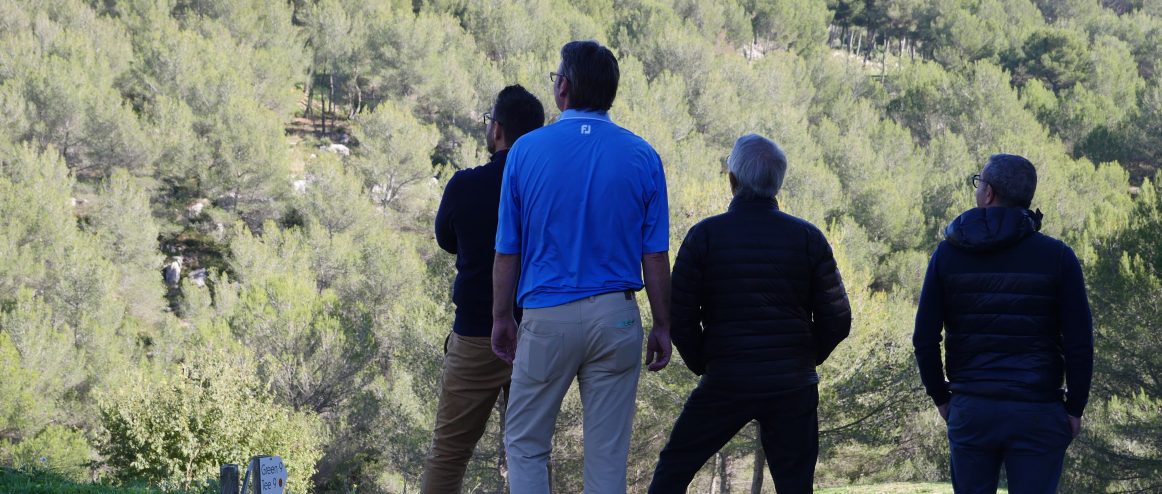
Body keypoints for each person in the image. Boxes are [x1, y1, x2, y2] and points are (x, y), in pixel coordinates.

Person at [491, 40, 673, 494]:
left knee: (527, 444)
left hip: (546, 318)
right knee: (608, 457)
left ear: (564, 88)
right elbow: (654, 254)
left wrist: (500, 316)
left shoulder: (525, 152)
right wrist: (663, 326)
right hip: (616, 317)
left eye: (555, 78)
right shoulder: (643, 156)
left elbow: (508, 251)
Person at [648, 134, 852, 493]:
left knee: (673, 470)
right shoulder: (809, 238)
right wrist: (804, 357)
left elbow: (679, 315)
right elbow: (838, 318)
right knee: (795, 485)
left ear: (733, 180)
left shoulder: (704, 237)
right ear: (778, 183)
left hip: (726, 378)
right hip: (792, 385)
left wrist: (706, 362)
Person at [913, 154, 1094, 494]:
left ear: (989, 194)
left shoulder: (947, 255)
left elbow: (924, 338)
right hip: (1038, 409)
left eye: (978, 182)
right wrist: (1075, 407)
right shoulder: (1058, 257)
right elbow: (1079, 342)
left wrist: (942, 398)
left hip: (972, 408)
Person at [422, 85, 545, 493]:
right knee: (531, 454)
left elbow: (446, 240)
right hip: (539, 332)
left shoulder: (465, 186)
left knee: (449, 453)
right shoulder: (546, 191)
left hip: (476, 332)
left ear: (497, 131)